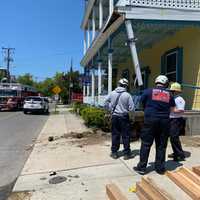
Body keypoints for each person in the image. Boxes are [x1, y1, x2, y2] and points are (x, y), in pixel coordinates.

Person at [134, 75, 175, 175]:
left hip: (150, 121)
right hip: (164, 122)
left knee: (146, 144)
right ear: (165, 83)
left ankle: (142, 167)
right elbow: (172, 109)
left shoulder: (148, 91)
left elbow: (141, 103)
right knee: (161, 145)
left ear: (156, 82)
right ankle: (160, 168)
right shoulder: (169, 94)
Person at [104, 78, 135, 160]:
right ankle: (126, 154)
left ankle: (114, 153)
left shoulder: (112, 93)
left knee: (115, 135)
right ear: (126, 86)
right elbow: (131, 108)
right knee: (126, 136)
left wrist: (109, 109)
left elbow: (105, 102)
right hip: (124, 117)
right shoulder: (127, 95)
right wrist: (132, 117)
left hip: (114, 117)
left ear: (118, 84)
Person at [168, 82, 186, 161]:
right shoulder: (174, 99)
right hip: (172, 119)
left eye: (172, 91)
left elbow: (181, 110)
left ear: (176, 91)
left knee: (174, 137)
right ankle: (176, 152)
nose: (170, 92)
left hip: (176, 120)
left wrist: (171, 109)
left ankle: (180, 154)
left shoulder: (179, 99)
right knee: (173, 138)